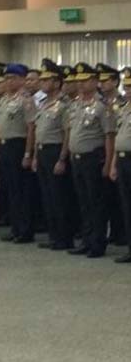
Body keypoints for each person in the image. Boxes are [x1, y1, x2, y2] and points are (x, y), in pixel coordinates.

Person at [67, 63, 115, 258]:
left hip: (93, 159)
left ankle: (97, 243)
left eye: (85, 80)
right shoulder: (76, 104)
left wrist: (108, 162)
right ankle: (86, 241)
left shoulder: (102, 107)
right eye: (78, 81)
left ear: (95, 82)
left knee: (96, 203)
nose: (80, 84)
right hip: (77, 159)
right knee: (83, 202)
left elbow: (109, 136)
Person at [31, 59, 76, 251]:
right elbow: (37, 131)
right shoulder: (43, 103)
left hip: (55, 151)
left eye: (47, 79)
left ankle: (64, 237)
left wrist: (62, 158)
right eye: (42, 79)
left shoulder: (64, 104)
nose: (43, 83)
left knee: (59, 197)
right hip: (41, 151)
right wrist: (33, 156)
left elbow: (67, 133)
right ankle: (54, 235)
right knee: (47, 196)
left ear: (57, 82)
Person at [0, 63, 37, 243]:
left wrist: (28, 154)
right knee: (10, 189)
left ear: (21, 80)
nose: (8, 81)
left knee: (22, 190)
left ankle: (25, 230)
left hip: (18, 145)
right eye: (7, 78)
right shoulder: (4, 99)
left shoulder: (26, 100)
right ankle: (15, 227)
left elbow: (31, 128)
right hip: (5, 146)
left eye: (13, 78)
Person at [97, 63, 127, 246]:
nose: (102, 84)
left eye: (105, 80)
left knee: (119, 198)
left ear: (115, 81)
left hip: (117, 152)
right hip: (103, 152)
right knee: (107, 197)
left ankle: (121, 233)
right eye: (99, 80)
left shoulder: (122, 103)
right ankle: (114, 233)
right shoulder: (99, 103)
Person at [111, 68, 131, 263]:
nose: (127, 90)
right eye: (126, 86)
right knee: (127, 205)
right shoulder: (124, 109)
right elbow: (118, 138)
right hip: (123, 160)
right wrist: (114, 165)